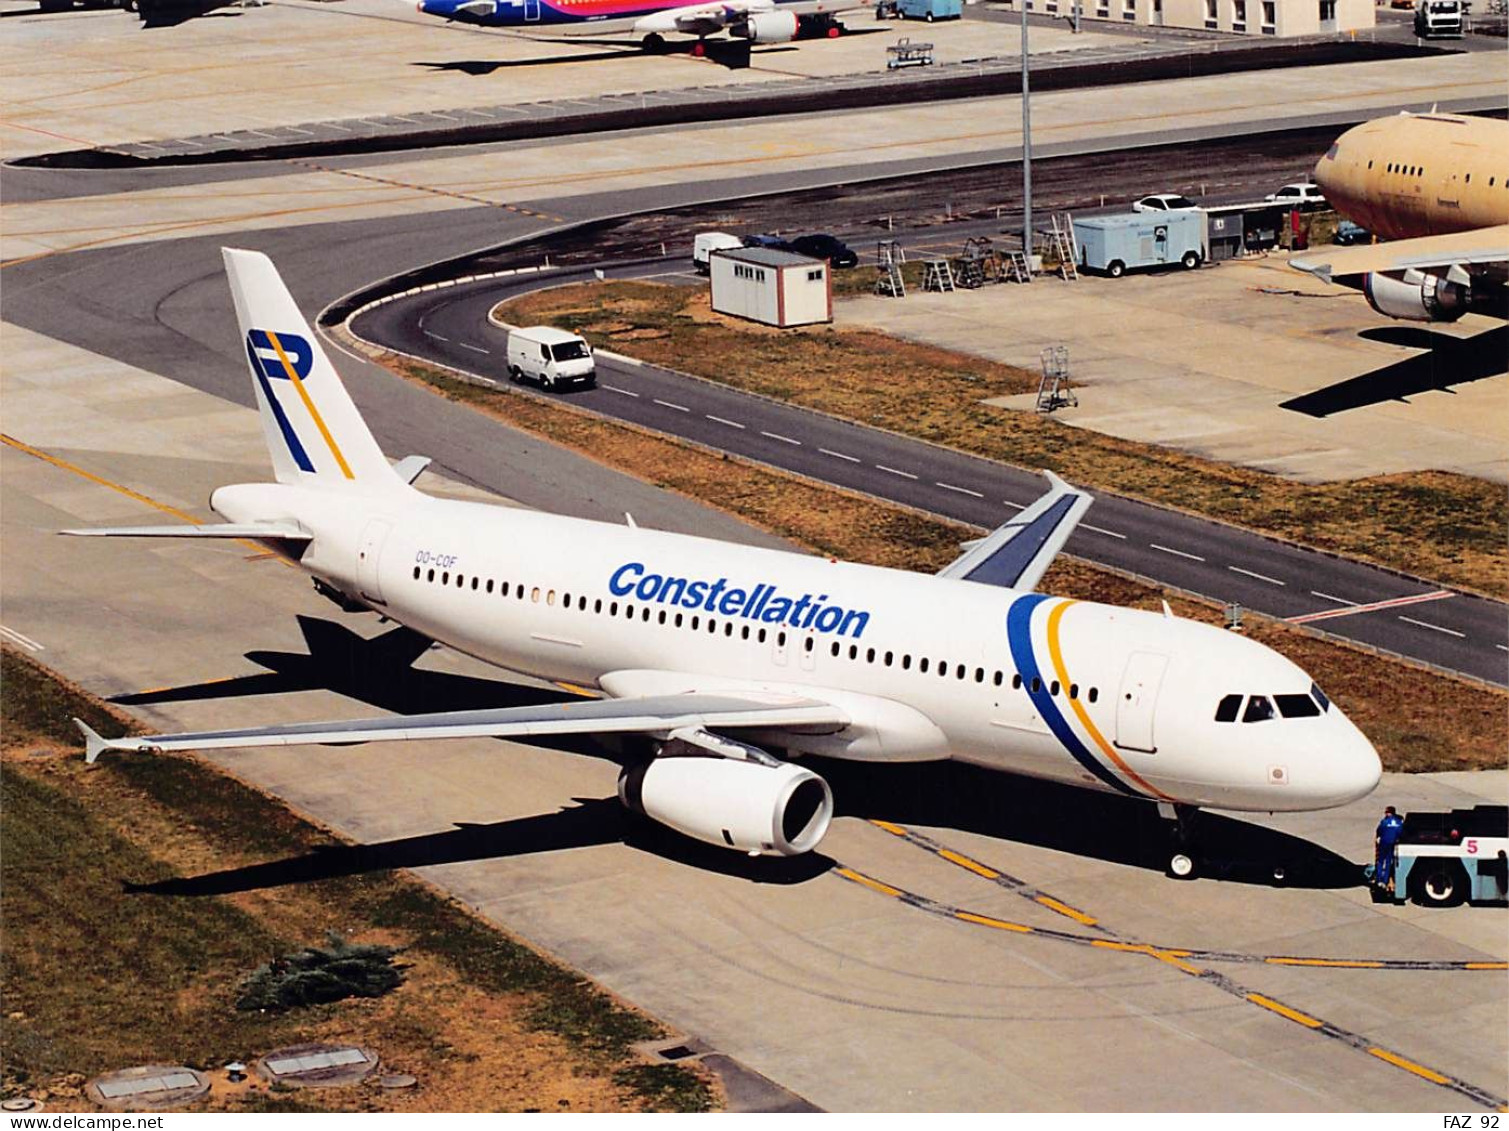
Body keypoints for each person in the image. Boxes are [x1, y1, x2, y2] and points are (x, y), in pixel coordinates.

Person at [1374, 806, 1405, 895]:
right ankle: (1385, 880)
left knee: (1380, 861)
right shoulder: (1399, 823)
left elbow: (1379, 831)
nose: (1386, 814)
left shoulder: (1384, 822)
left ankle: (1379, 879)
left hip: (1384, 843)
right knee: (1388, 862)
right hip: (1392, 844)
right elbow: (1400, 833)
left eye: (1387, 812)